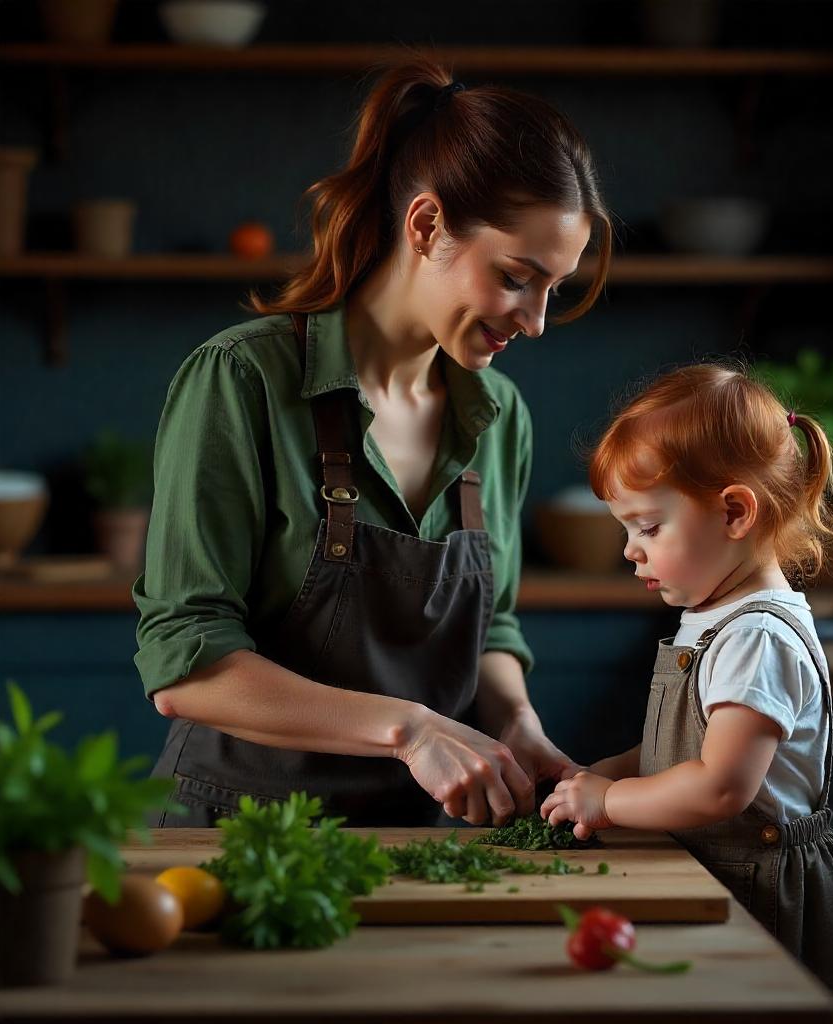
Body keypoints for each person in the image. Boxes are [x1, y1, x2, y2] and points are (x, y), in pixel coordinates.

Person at [134, 57, 613, 829]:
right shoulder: (241, 380)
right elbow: (186, 662)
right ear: (425, 226)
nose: (535, 321)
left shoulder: (501, 417)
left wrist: (517, 724)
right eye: (518, 277)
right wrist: (409, 729)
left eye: (553, 289)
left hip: (420, 840)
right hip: (236, 834)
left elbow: (492, 626)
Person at [540, 364, 833, 1018]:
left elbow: (721, 786)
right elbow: (685, 749)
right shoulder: (716, 619)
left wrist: (612, 799)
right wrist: (607, 774)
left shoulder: (755, 639)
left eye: (649, 527)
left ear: (734, 512)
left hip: (763, 893)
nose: (631, 551)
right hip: (718, 874)